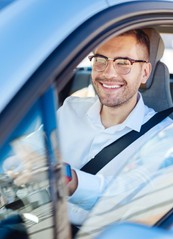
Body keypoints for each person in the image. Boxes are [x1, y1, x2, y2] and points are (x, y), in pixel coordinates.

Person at [57, 29, 172, 223]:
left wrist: (70, 181)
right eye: (101, 60)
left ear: (144, 73)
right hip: (40, 231)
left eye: (123, 63)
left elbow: (128, 194)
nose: (108, 73)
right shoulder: (70, 109)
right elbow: (26, 152)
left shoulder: (165, 136)